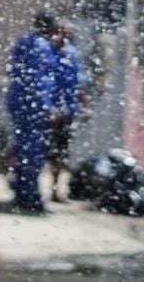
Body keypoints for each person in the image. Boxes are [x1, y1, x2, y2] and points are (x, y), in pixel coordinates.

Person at [6, 11, 57, 213]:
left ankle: (21, 191)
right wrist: (47, 106)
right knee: (33, 152)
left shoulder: (23, 42)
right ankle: (30, 195)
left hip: (18, 102)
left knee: (22, 148)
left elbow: (14, 71)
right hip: (32, 106)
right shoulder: (41, 46)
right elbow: (39, 80)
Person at [48, 18, 87, 203]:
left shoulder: (73, 54)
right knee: (40, 150)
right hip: (46, 109)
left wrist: (84, 106)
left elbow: (79, 84)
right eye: (62, 32)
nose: (65, 37)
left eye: (68, 34)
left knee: (60, 151)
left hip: (67, 111)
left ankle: (55, 189)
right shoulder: (46, 52)